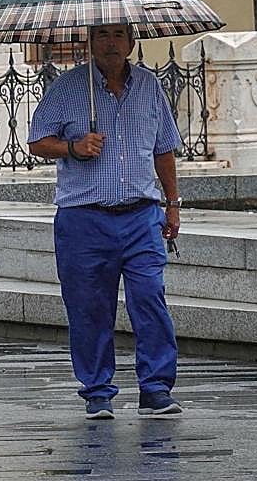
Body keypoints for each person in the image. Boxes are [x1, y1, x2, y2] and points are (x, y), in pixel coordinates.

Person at [27, 22, 183, 420]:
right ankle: (98, 390)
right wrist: (74, 148)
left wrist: (173, 203)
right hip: (84, 218)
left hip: (141, 215)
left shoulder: (149, 87)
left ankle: (156, 388)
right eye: (102, 36)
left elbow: (164, 150)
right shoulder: (68, 87)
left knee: (149, 298)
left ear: (131, 42)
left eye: (118, 35)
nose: (110, 43)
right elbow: (37, 141)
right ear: (90, 43)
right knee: (89, 307)